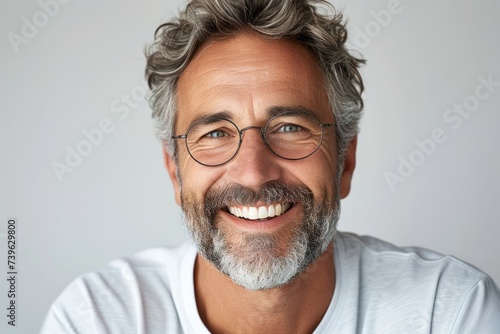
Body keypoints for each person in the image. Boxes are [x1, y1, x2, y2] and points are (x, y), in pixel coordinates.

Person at [41, 0, 500, 333]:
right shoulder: (96, 318)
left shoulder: (448, 310)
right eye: (215, 133)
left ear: (346, 161)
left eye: (289, 127)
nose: (254, 172)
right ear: (175, 171)